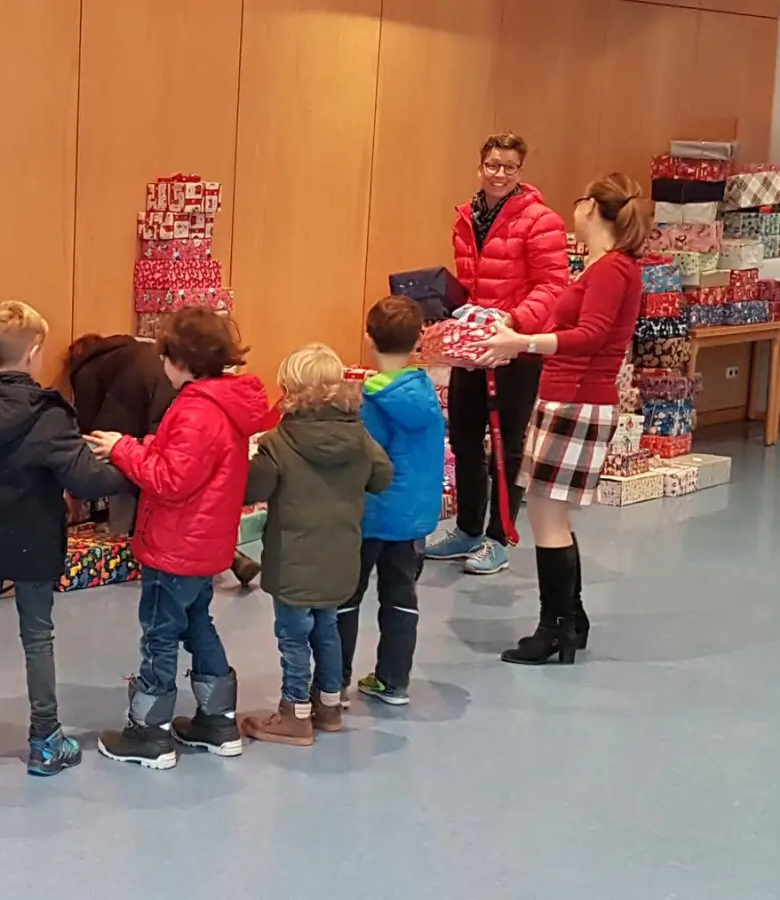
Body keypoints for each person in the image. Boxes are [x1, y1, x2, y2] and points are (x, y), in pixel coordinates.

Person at [0, 304, 129, 776]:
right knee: (37, 638)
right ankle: (45, 742)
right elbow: (85, 480)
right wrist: (129, 461)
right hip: (34, 539)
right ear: (34, 352)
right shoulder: (47, 414)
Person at [471, 173, 649, 664]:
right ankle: (572, 616)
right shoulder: (603, 267)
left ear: (592, 207)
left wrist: (522, 343)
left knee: (547, 516)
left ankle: (554, 628)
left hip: (576, 398)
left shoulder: (611, 270)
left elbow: (590, 335)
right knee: (554, 514)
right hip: (567, 396)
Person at [86, 309, 268, 769]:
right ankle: (217, 718)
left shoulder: (195, 408)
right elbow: (185, 463)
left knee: (160, 635)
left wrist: (124, 450)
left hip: (175, 543)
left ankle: (150, 731)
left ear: (179, 359)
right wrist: (137, 448)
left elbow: (170, 479)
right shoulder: (221, 404)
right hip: (204, 543)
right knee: (197, 624)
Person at [428, 132, 569, 576]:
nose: (500, 174)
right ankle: (468, 529)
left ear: (520, 171)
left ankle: (499, 535)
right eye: (493, 165)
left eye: (509, 167)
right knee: (466, 437)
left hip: (516, 345)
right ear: (480, 166)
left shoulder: (541, 221)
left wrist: (513, 322)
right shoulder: (467, 216)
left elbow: (553, 286)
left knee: (506, 443)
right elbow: (473, 283)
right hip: (475, 343)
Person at [238, 345, 393, 746]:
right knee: (327, 629)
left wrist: (247, 456)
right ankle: (327, 706)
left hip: (293, 559)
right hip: (341, 555)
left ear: (289, 388)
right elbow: (382, 478)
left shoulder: (278, 441)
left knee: (293, 637)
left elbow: (252, 489)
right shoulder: (359, 435)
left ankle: (294, 714)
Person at [339, 299, 445, 707]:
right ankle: (394, 680)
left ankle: (335, 683)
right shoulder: (427, 394)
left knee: (347, 599)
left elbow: (364, 460)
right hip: (413, 519)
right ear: (419, 340)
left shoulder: (372, 402)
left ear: (369, 339)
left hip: (371, 516)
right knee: (402, 598)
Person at [63, 333, 174, 535]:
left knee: (121, 472)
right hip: (160, 423)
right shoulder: (137, 352)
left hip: (123, 433)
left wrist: (74, 490)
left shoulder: (87, 366)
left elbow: (85, 429)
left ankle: (121, 539)